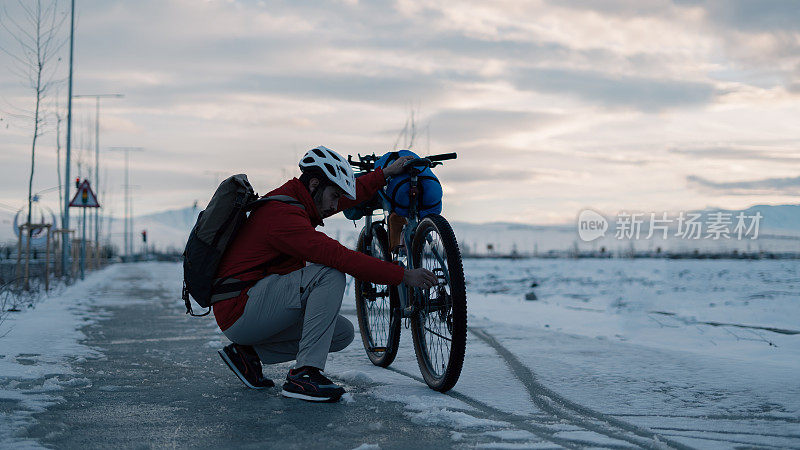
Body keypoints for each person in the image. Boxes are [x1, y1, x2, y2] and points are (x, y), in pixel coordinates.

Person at [214, 146, 438, 402]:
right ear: (314, 184)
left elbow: (345, 199)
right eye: (333, 195)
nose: (335, 205)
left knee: (341, 332)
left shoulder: (298, 200)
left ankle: (248, 355)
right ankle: (304, 375)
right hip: (241, 307)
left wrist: (384, 174)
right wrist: (403, 275)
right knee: (329, 273)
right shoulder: (283, 216)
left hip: (252, 306)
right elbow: (340, 257)